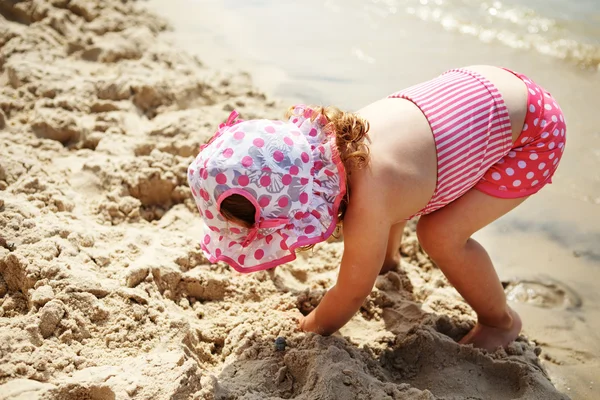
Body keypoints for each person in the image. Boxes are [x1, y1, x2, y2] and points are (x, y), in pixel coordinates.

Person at [187, 65, 566, 351]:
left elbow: (352, 291)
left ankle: (500, 321)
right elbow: (398, 187)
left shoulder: (370, 200)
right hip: (482, 87)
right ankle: (390, 260)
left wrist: (308, 328)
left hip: (532, 135)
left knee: (439, 234)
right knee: (404, 192)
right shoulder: (342, 141)